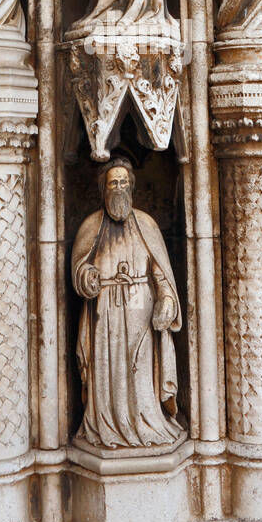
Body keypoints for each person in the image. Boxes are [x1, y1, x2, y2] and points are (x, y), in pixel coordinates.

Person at [72, 159, 183, 448]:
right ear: (103, 189)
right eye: (113, 183)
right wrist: (88, 277)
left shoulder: (147, 225)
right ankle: (105, 425)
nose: (118, 188)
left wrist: (167, 301)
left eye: (123, 183)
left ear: (131, 187)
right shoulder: (91, 226)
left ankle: (148, 422)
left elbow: (162, 274)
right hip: (105, 314)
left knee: (141, 373)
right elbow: (79, 267)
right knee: (107, 372)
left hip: (141, 314)